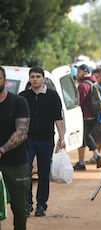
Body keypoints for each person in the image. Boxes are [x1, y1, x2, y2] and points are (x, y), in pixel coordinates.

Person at [19, 67, 66, 217]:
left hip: (46, 139)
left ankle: (41, 205)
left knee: (44, 173)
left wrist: (62, 137)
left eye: (38, 76)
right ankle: (27, 204)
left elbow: (58, 118)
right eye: (32, 77)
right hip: (27, 140)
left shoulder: (52, 96)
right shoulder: (23, 96)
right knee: (25, 171)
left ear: (44, 78)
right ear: (29, 79)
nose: (35, 79)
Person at [0, 66, 31, 230]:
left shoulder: (18, 102)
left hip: (16, 163)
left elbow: (22, 132)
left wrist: (2, 150)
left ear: (4, 81)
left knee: (20, 209)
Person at [73, 64, 101, 171]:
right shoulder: (93, 82)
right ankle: (81, 162)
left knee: (85, 136)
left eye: (79, 72)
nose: (77, 74)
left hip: (85, 116)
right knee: (83, 138)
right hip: (94, 116)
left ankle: (97, 155)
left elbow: (78, 102)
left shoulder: (83, 86)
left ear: (85, 72)